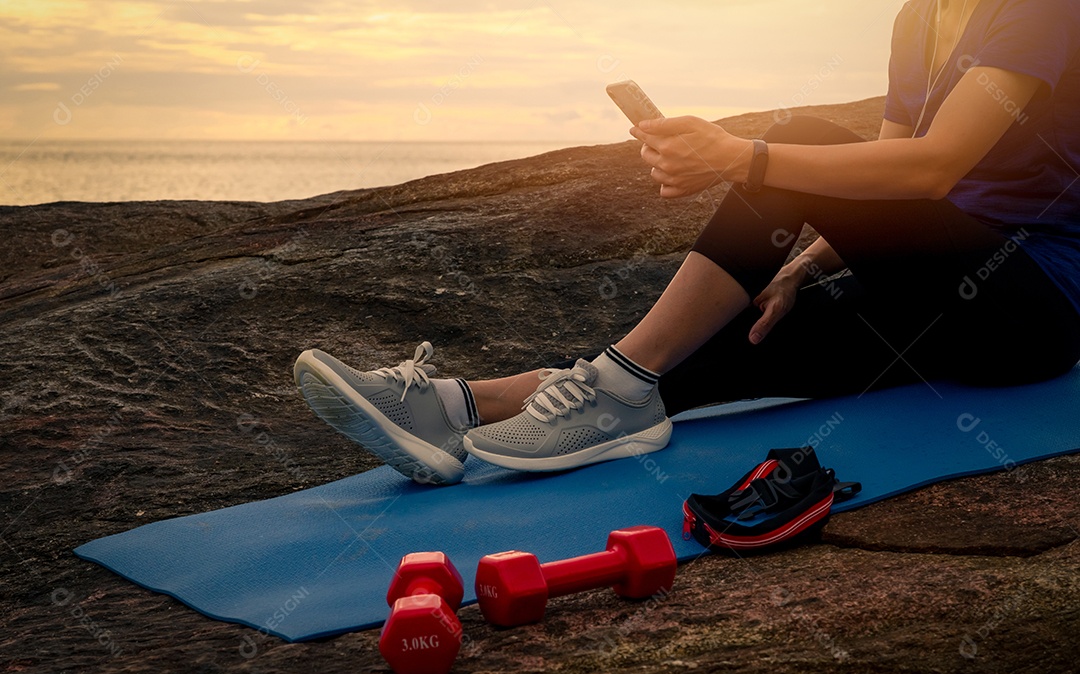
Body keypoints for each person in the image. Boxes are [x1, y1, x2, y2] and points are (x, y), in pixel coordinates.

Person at [294, 0, 1080, 486]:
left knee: (794, 139)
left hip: (1027, 310)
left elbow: (933, 165)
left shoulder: (1038, 6)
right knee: (725, 337)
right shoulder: (920, 15)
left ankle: (620, 381)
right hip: (929, 297)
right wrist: (803, 266)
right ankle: (454, 409)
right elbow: (875, 172)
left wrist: (742, 157)